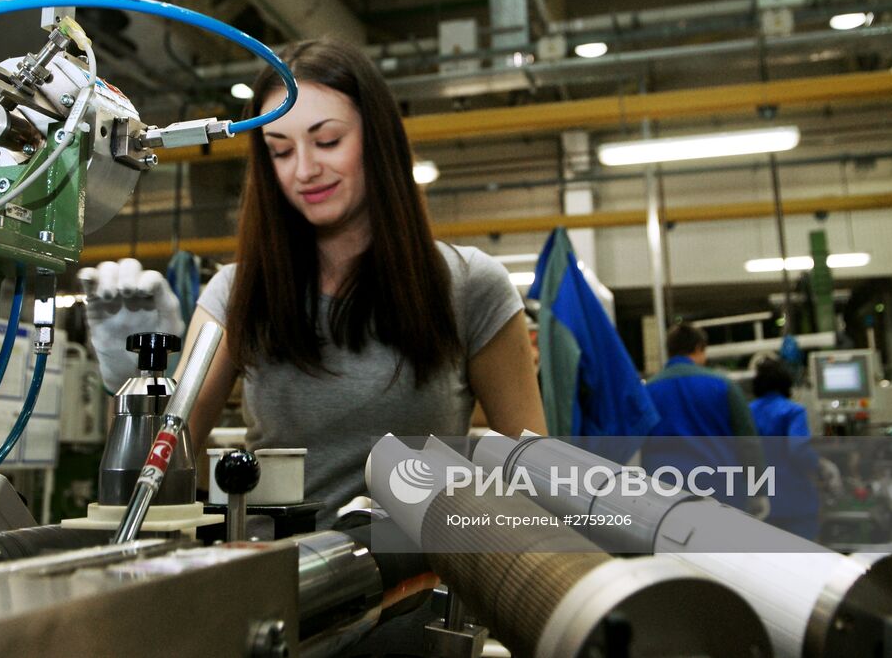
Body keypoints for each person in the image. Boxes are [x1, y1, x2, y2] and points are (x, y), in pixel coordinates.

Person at [84, 39, 547, 527]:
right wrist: (135, 390)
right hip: (278, 578)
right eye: (280, 151)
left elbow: (536, 477)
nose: (304, 170)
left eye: (327, 141)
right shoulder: (237, 292)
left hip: (418, 584)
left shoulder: (471, 285)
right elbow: (154, 483)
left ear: (378, 140)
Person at [644, 323, 765, 511]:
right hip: (721, 489)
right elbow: (748, 441)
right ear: (699, 348)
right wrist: (758, 490)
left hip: (664, 491)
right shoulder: (723, 385)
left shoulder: (647, 391)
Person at [750, 357, 824, 539]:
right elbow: (798, 450)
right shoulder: (793, 411)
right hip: (794, 502)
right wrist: (821, 467)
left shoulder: (747, 412)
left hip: (759, 501)